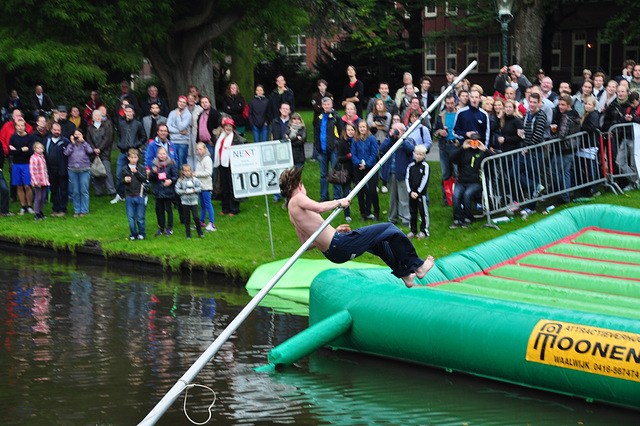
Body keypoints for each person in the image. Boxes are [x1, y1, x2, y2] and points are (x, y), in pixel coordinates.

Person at [279, 166, 435, 288]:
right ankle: (418, 266)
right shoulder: (298, 198)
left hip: (333, 252)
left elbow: (305, 245)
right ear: (299, 185)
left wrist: (334, 231)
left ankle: (406, 275)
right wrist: (339, 202)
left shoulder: (292, 214)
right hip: (339, 244)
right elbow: (319, 208)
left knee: (379, 242)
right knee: (389, 229)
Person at [450, 133, 491, 228]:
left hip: (475, 182)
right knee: (456, 196)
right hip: (461, 182)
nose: (474, 144)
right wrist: (462, 147)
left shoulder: (481, 153)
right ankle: (457, 219)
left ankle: (468, 218)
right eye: (472, 142)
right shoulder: (463, 152)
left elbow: (494, 159)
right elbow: (452, 158)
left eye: (476, 142)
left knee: (467, 195)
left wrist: (485, 149)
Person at [379, 122, 415, 227]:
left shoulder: (408, 139)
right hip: (391, 173)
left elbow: (411, 149)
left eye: (397, 130)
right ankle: (392, 218)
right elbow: (381, 149)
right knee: (393, 197)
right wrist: (390, 137)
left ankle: (405, 218)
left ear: (403, 131)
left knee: (404, 197)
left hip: (403, 173)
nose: (395, 131)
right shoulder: (389, 141)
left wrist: (401, 138)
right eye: (394, 129)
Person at [112, 105, 146, 204]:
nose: (128, 113)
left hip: (133, 153)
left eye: (130, 111)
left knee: (135, 174)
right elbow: (118, 136)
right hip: (123, 152)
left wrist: (135, 145)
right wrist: (119, 144)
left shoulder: (138, 124)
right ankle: (120, 194)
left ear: (133, 112)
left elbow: (143, 137)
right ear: (124, 112)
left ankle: (136, 194)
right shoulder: (121, 123)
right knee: (119, 174)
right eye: (126, 111)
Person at [213, 118, 245, 215]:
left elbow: (243, 147)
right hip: (222, 164)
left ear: (232, 128)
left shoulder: (236, 138)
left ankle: (234, 208)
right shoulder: (221, 137)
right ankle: (225, 208)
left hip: (232, 165)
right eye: (226, 126)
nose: (228, 128)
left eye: (230, 126)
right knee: (224, 186)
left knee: (232, 187)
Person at [314, 97, 344, 201]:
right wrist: (317, 146)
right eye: (325, 104)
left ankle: (337, 196)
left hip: (334, 149)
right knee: (323, 175)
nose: (327, 106)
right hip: (322, 150)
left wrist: (338, 146)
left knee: (335, 172)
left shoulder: (336, 117)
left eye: (328, 104)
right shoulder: (319, 117)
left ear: (332, 105)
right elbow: (316, 133)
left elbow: (342, 133)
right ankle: (324, 197)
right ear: (322, 106)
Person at [434, 94, 460, 206]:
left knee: (457, 172)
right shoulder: (441, 115)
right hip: (444, 146)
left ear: (455, 103)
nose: (449, 106)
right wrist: (440, 132)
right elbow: (435, 131)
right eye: (447, 103)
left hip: (455, 145)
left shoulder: (459, 114)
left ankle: (458, 197)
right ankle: (447, 199)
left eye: (451, 103)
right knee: (445, 173)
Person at [351, 119, 379, 221]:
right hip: (358, 168)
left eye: (364, 127)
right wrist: (359, 163)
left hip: (370, 167)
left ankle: (376, 211)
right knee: (360, 192)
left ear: (367, 128)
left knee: (372, 190)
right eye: (360, 127)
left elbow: (373, 153)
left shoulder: (372, 139)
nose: (362, 129)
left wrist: (366, 164)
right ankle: (363, 214)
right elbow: (353, 154)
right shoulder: (355, 139)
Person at [148, 146, 178, 236]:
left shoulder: (171, 164)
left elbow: (176, 176)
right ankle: (161, 227)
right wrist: (153, 173)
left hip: (168, 191)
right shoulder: (154, 165)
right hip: (158, 191)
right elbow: (151, 179)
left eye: (163, 154)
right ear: (157, 155)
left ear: (167, 154)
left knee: (168, 209)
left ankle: (169, 227)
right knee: (159, 210)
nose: (162, 155)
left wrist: (170, 181)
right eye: (160, 154)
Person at [87, 108, 116, 198]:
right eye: (96, 116)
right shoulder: (90, 128)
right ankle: (98, 192)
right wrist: (94, 149)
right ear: (93, 117)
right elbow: (88, 140)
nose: (98, 117)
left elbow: (108, 138)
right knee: (96, 173)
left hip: (105, 153)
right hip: (94, 153)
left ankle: (111, 191)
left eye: (100, 115)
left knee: (107, 172)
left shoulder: (106, 125)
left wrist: (100, 148)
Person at [64, 129, 93, 217]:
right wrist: (72, 143)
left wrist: (83, 142)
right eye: (75, 134)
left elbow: (90, 151)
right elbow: (66, 153)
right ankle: (77, 210)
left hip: (84, 170)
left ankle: (84, 210)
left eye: (79, 134)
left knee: (84, 191)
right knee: (75, 191)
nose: (77, 136)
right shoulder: (70, 145)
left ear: (82, 135)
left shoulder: (85, 144)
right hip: (73, 171)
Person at [9, 119, 34, 214]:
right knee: (19, 186)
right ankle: (23, 206)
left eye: (22, 125)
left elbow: (30, 151)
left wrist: (17, 150)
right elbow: (11, 152)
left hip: (26, 164)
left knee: (27, 186)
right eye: (18, 125)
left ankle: (30, 206)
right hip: (16, 164)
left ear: (25, 126)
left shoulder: (30, 138)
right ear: (16, 126)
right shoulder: (13, 137)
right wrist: (22, 150)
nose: (20, 127)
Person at [44, 123, 70, 217]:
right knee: (54, 190)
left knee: (63, 190)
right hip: (50, 169)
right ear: (51, 130)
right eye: (55, 130)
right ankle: (55, 209)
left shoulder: (65, 141)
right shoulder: (46, 140)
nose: (56, 132)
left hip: (62, 170)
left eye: (58, 130)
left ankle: (63, 209)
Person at [405, 144, 430, 238]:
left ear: (424, 155)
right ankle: (413, 230)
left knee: (423, 212)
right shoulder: (410, 166)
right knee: (412, 212)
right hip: (412, 194)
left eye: (420, 154)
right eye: (417, 154)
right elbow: (407, 179)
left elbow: (425, 179)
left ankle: (424, 230)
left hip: (421, 194)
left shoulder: (425, 166)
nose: (418, 156)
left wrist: (418, 192)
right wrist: (410, 191)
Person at [122, 148, 147, 240]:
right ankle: (133, 234)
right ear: (128, 158)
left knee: (140, 217)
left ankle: (142, 233)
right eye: (131, 157)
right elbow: (121, 181)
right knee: (131, 217)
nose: (133, 159)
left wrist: (136, 173)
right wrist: (125, 179)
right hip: (129, 196)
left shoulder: (141, 168)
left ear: (138, 158)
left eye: (135, 157)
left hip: (139, 195)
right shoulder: (125, 169)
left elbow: (144, 179)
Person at [175, 164, 204, 239]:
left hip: (193, 201)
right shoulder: (180, 181)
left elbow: (200, 187)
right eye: (185, 171)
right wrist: (183, 192)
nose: (187, 172)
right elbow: (177, 189)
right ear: (183, 172)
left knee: (196, 217)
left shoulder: (195, 180)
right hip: (185, 202)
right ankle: (188, 233)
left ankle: (199, 231)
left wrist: (194, 190)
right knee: (187, 218)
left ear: (191, 171)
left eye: (188, 171)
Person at [336, 123, 356, 223]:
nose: (350, 132)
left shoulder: (357, 141)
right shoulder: (342, 143)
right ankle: (347, 214)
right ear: (345, 131)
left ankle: (365, 212)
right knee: (346, 194)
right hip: (346, 172)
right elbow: (339, 158)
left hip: (356, 171)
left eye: (352, 130)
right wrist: (349, 155)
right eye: (349, 130)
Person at [195, 142, 216, 232]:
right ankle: (202, 221)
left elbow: (208, 172)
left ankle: (212, 223)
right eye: (197, 149)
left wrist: (196, 174)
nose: (199, 151)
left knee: (208, 204)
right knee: (202, 205)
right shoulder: (199, 159)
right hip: (200, 185)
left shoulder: (207, 159)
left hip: (206, 186)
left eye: (200, 149)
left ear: (205, 149)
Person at [167, 96, 192, 168]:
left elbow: (182, 127)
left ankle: (183, 179)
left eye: (184, 102)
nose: (181, 103)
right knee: (172, 163)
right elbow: (168, 127)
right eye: (180, 101)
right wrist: (179, 132)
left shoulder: (188, 115)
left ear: (186, 104)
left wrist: (178, 116)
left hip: (183, 143)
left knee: (182, 164)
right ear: (177, 102)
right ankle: (173, 179)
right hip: (172, 142)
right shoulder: (172, 113)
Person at [29, 142, 49, 220]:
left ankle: (41, 212)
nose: (40, 150)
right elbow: (33, 171)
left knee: (43, 197)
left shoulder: (42, 157)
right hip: (38, 182)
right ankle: (36, 213)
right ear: (34, 149)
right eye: (38, 148)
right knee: (38, 197)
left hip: (44, 180)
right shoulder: (33, 158)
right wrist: (36, 182)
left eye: (41, 148)